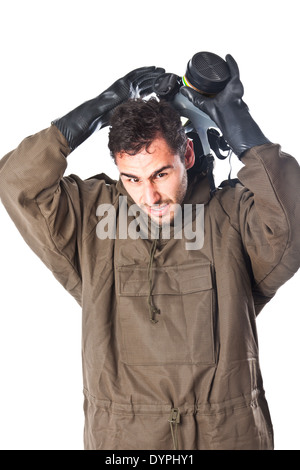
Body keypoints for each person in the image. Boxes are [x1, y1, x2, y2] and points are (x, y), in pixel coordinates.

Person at [0, 55, 299, 451]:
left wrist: (237, 122)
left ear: (187, 156)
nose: (150, 196)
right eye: (132, 179)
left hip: (227, 435)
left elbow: (290, 222)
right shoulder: (95, 218)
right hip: (125, 439)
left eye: (161, 173)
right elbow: (17, 181)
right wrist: (98, 108)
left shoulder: (232, 216)